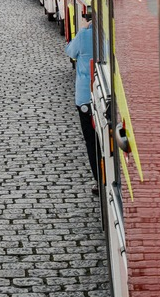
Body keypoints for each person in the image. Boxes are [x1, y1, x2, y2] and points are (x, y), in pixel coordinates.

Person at [65, 12, 99, 195]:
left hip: (85, 95)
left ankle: (97, 179)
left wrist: (82, 29)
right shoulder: (107, 34)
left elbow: (70, 51)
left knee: (90, 139)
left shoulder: (85, 35)